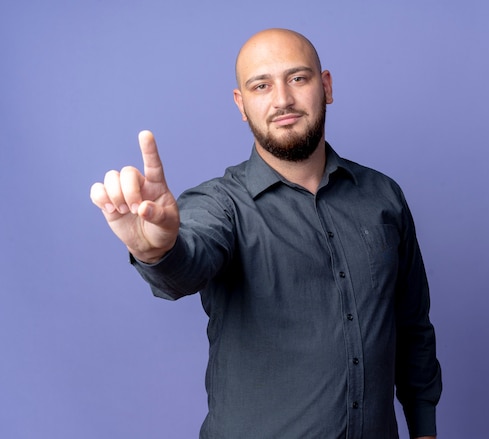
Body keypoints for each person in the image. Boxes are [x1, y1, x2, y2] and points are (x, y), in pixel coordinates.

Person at [90, 28, 442, 439]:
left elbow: (412, 325)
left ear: (325, 86)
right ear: (241, 104)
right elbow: (187, 262)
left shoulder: (384, 196)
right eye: (261, 85)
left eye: (298, 78)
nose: (282, 100)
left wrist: (424, 427)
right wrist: (158, 251)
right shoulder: (219, 205)